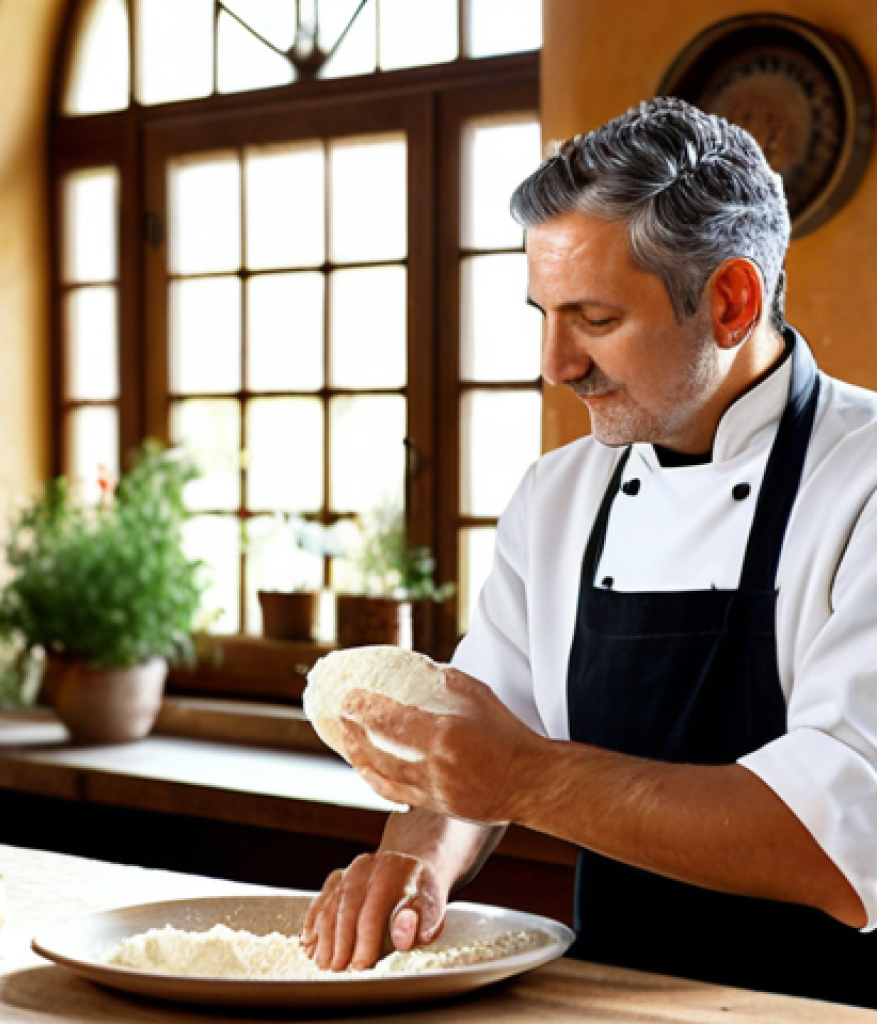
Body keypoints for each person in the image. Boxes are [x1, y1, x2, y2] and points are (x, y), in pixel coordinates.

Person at [300, 97, 877, 1008]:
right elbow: (477, 742)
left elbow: (840, 845)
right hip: (608, 998)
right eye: (544, 313)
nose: (555, 361)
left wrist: (524, 776)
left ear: (731, 301)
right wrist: (413, 864)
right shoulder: (557, 495)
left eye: (595, 318)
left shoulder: (865, 483)